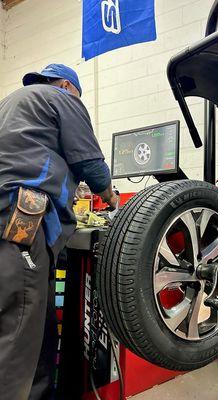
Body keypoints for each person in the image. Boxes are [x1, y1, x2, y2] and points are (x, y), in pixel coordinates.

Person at [0, 63, 118, 400]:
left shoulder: (14, 101)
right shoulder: (63, 98)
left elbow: (30, 154)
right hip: (19, 222)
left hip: (8, 220)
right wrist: (111, 199)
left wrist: (68, 186)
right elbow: (91, 163)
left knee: (37, 328)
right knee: (18, 338)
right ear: (67, 85)